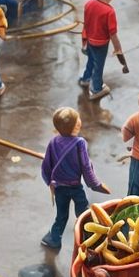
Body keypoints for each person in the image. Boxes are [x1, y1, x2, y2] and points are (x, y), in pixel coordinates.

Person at [41, 106, 105, 250]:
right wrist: (96, 184)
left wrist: (49, 181)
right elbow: (86, 167)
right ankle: (90, 238)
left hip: (59, 188)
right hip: (76, 187)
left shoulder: (53, 142)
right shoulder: (79, 143)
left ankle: (54, 239)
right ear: (76, 125)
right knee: (83, 212)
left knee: (61, 215)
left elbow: (46, 165)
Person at [80, 0, 126, 100]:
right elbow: (113, 34)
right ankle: (97, 89)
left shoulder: (89, 3)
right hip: (101, 44)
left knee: (90, 60)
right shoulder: (109, 11)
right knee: (98, 65)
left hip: (89, 39)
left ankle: (85, 79)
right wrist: (118, 49)